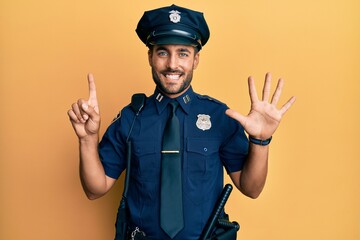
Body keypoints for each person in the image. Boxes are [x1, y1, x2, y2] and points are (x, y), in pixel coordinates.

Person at [67, 4, 296, 240]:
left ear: (196, 59)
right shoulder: (131, 118)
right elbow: (95, 189)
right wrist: (87, 139)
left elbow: (252, 188)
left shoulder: (219, 117)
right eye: (163, 52)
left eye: (183, 53)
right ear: (150, 57)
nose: (172, 64)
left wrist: (261, 140)